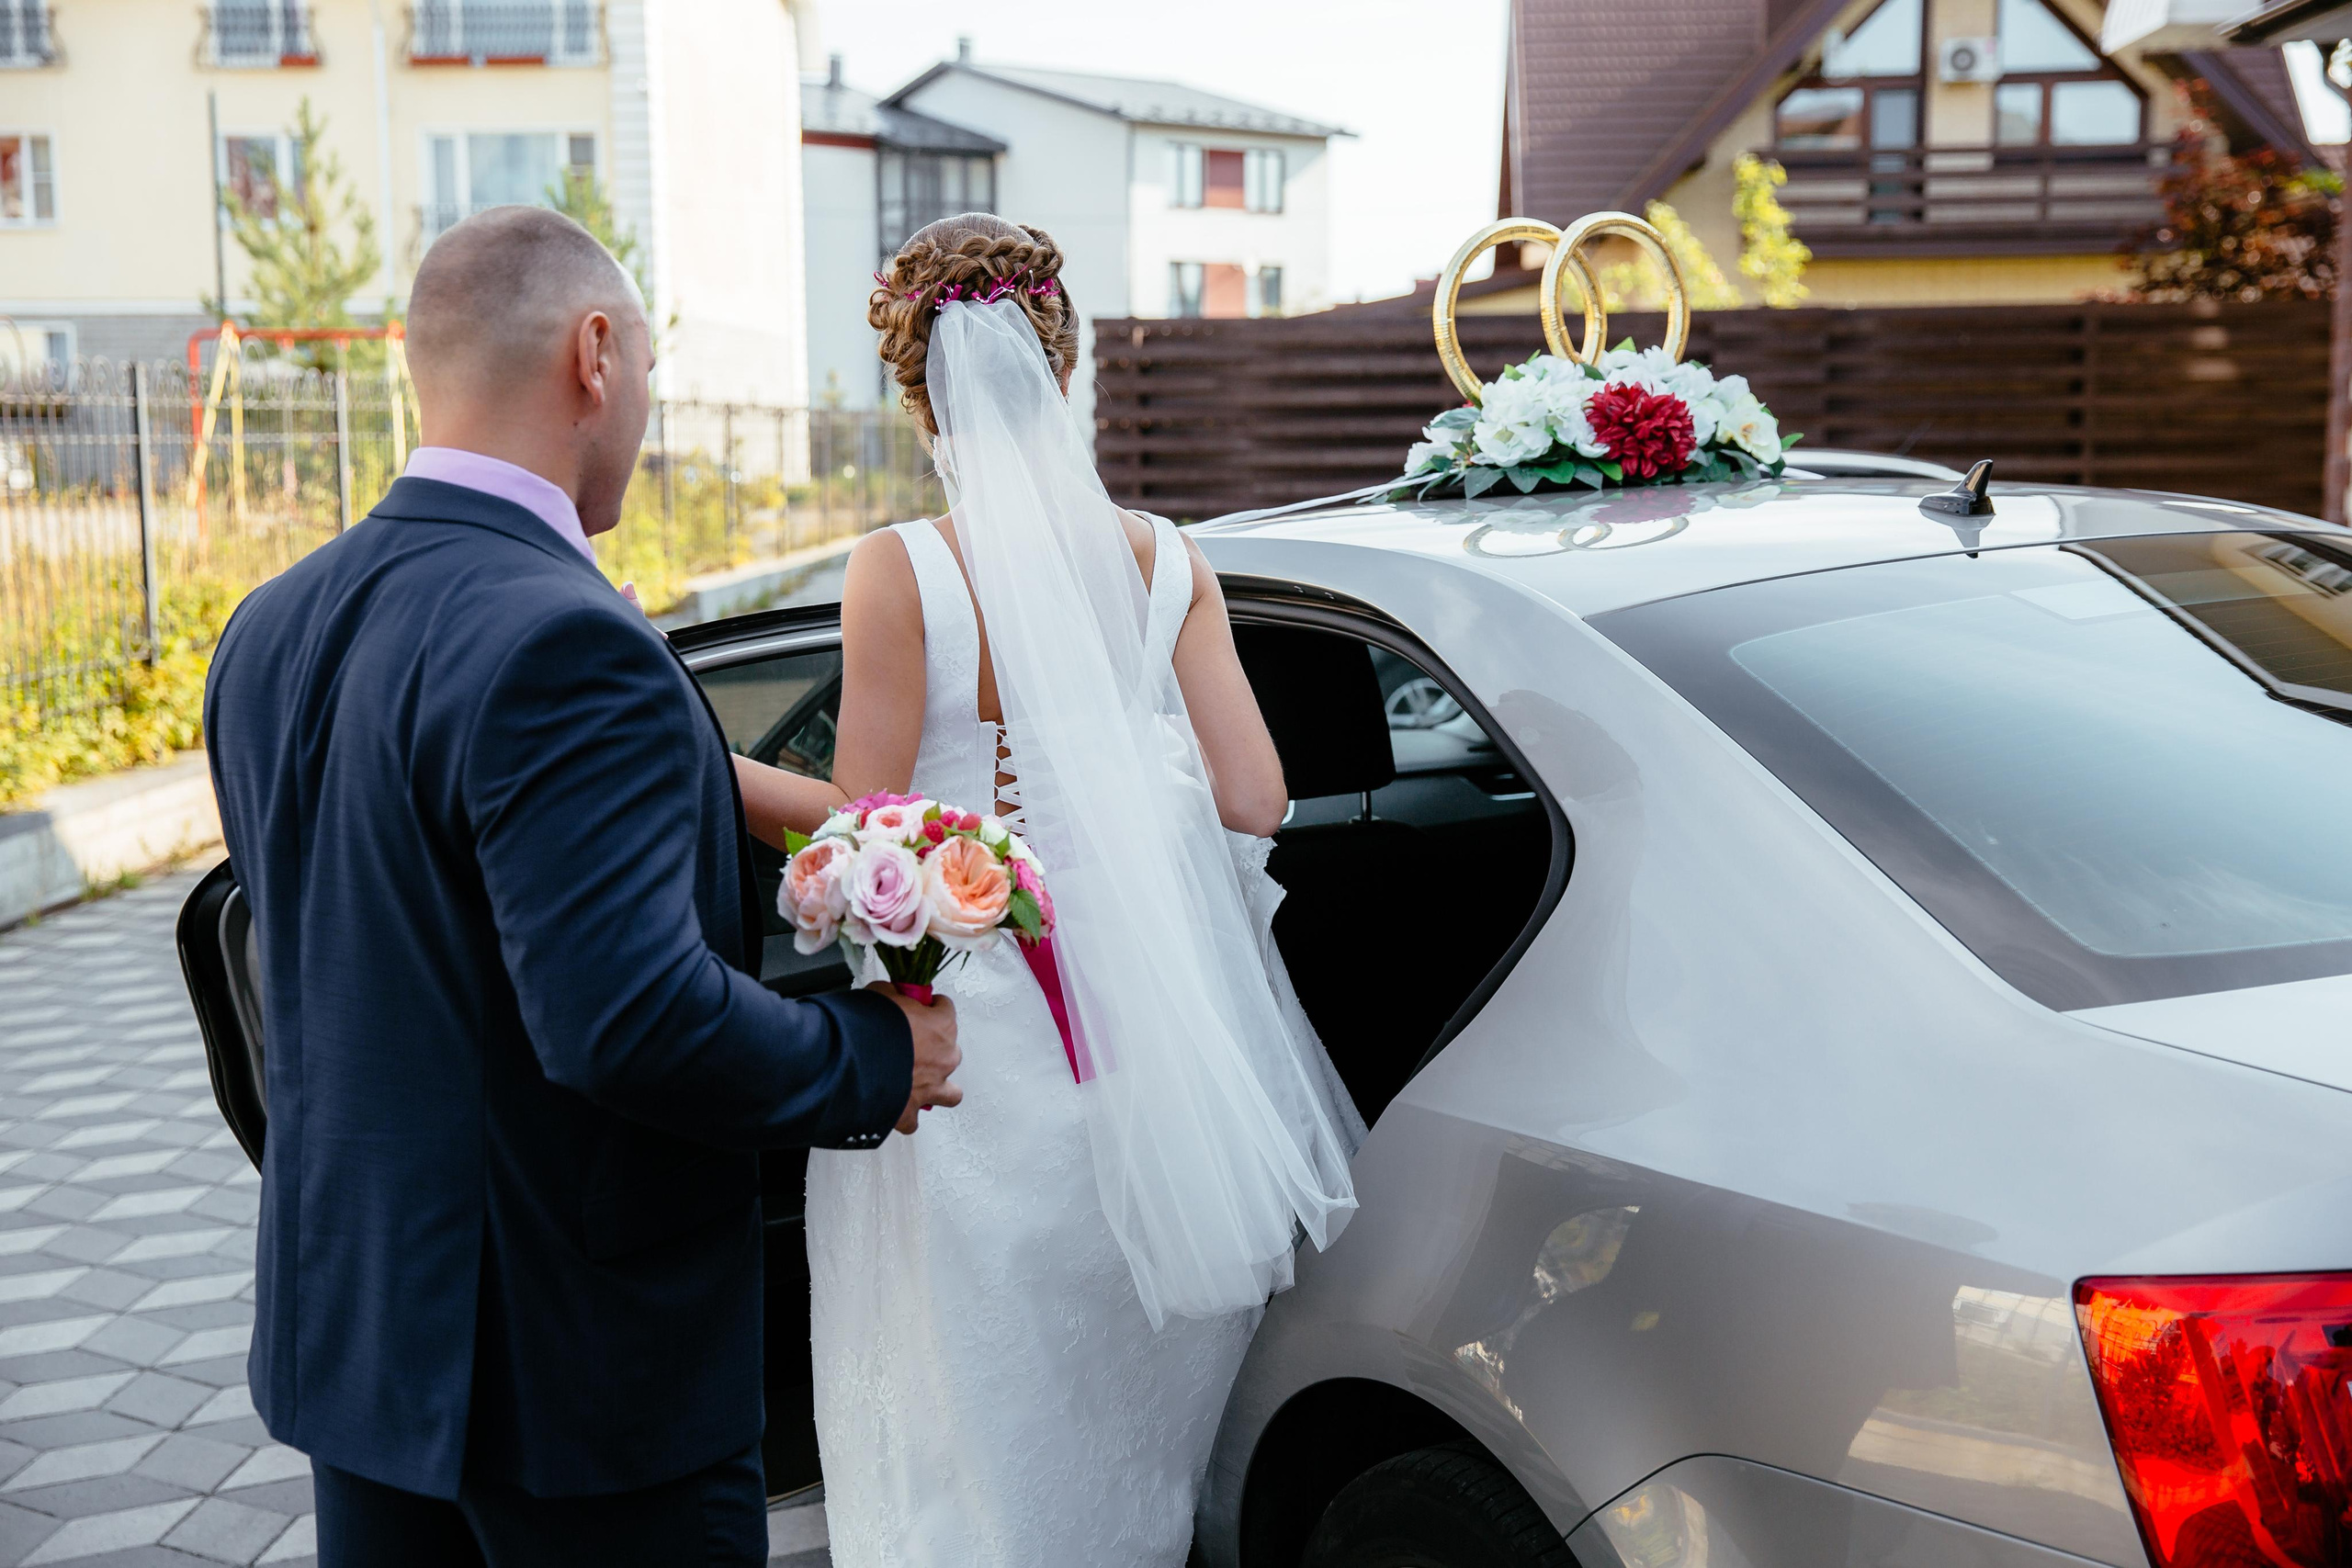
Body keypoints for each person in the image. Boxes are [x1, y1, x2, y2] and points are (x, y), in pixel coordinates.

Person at [202, 206, 961, 1568]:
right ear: (594, 355)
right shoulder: (567, 640)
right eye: (654, 372)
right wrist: (872, 1054)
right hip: (575, 1388)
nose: (651, 412)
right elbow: (626, 1019)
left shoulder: (268, 625)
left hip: (364, 1348)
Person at [729, 213, 1366, 1567]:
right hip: (1162, 1056)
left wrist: (710, 769)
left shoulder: (900, 569)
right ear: (1060, 366)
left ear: (919, 392)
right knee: (1121, 1406)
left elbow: (872, 824)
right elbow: (1257, 801)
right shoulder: (1169, 559)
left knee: (971, 1404)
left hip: (976, 1047)